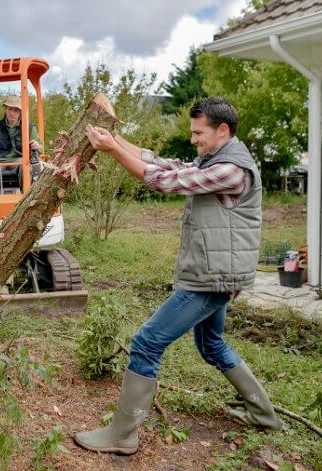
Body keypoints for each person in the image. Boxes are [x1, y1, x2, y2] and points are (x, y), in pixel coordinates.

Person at [74, 97, 282, 456]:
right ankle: (263, 414)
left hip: (210, 278)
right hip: (215, 273)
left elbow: (166, 181)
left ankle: (123, 434)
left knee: (147, 342)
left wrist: (112, 151)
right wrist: (116, 139)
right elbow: (164, 162)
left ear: (222, 130)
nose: (193, 139)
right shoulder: (216, 159)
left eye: (198, 133)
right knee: (211, 344)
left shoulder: (232, 170)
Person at [0, 95, 42, 194]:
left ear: (20, 112)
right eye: (10, 109)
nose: (12, 113)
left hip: (20, 160)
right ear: (6, 109)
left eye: (16, 110)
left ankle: (25, 199)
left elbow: (41, 149)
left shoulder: (29, 127)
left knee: (25, 166)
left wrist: (37, 146)